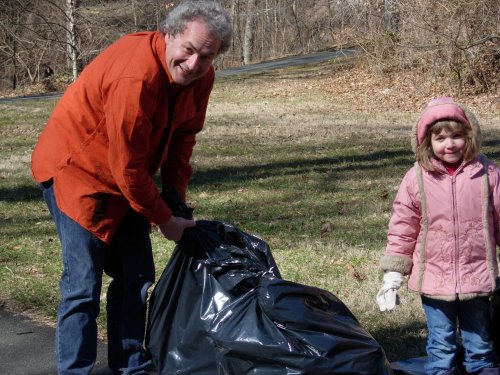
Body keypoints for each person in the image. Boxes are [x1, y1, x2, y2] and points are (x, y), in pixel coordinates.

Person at [30, 1, 232, 374]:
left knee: (137, 275)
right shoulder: (135, 75)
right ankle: (75, 370)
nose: (193, 65)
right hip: (78, 172)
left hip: (125, 178)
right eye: (187, 51)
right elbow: (126, 167)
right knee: (83, 283)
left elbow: (183, 138)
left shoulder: (201, 78)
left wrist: (174, 200)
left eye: (206, 56)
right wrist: (163, 219)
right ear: (168, 35)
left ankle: (131, 367)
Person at [376, 97, 500, 375]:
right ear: (426, 143)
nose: (450, 144)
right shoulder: (416, 177)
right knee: (441, 344)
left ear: (470, 136)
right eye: (440, 138)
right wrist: (393, 274)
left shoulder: (488, 174)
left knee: (479, 344)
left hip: (476, 277)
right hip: (434, 280)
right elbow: (402, 227)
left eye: (457, 136)